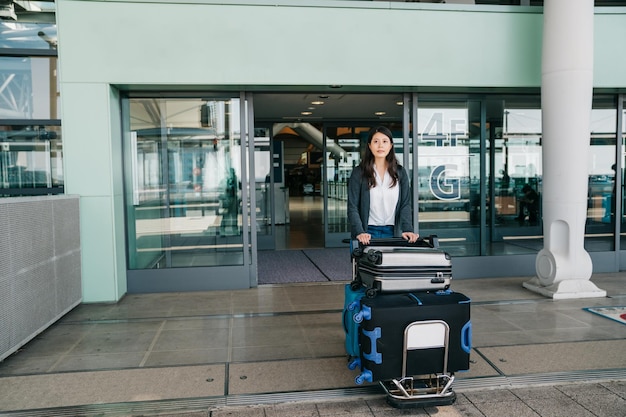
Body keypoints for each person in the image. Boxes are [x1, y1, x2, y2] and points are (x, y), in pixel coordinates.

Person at [347, 126, 419, 245]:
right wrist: (359, 232)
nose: (380, 146)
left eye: (385, 141)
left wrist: (408, 229)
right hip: (367, 234)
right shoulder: (359, 172)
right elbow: (352, 206)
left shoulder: (400, 172)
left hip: (393, 232)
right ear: (370, 146)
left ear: (390, 146)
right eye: (376, 142)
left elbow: (405, 204)